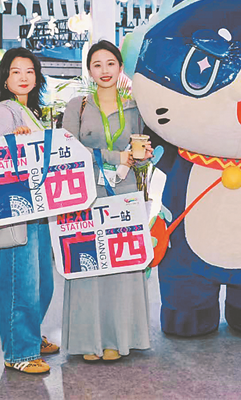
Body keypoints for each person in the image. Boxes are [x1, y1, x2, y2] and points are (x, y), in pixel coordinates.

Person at [61, 40, 152, 361]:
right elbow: (67, 150)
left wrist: (143, 156)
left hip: (124, 192)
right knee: (88, 264)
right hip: (87, 194)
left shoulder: (136, 107)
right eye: (97, 65)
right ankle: (89, 340)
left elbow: (141, 152)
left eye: (110, 63)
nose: (104, 70)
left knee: (121, 264)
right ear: (89, 70)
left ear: (120, 67)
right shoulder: (78, 106)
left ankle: (118, 338)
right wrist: (115, 156)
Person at [0, 47, 59, 374]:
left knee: (42, 283)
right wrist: (11, 140)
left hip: (36, 209)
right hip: (15, 212)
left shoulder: (31, 111)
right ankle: (19, 351)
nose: (23, 77)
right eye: (16, 71)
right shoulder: (4, 111)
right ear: (5, 78)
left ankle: (29, 335)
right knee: (20, 283)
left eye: (29, 71)